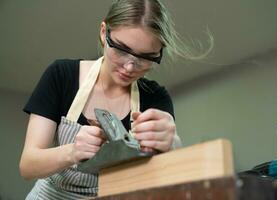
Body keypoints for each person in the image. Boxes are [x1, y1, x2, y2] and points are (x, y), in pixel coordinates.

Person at [20, 0, 210, 199]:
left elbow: (166, 179)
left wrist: (172, 145)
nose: (129, 68)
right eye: (121, 49)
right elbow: (28, 166)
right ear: (104, 32)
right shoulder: (61, 75)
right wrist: (72, 152)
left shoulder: (155, 98)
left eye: (146, 57)